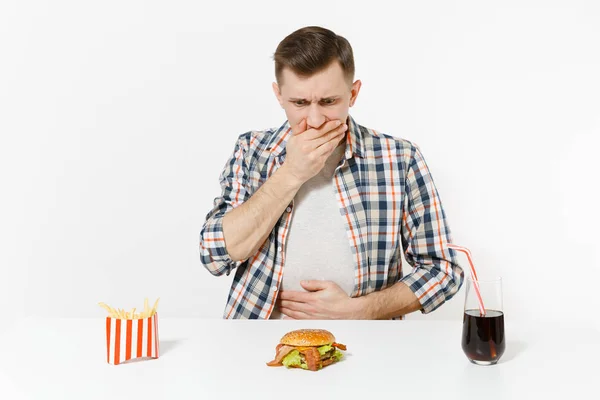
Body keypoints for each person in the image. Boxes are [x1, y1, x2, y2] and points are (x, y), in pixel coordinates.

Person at [199, 26, 464, 319]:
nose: (314, 120)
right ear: (279, 95)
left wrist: (359, 310)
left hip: (366, 347)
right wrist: (291, 174)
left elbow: (443, 271)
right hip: (260, 345)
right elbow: (214, 256)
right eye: (299, 103)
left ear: (353, 93)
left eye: (329, 102)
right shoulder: (251, 149)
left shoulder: (400, 158)